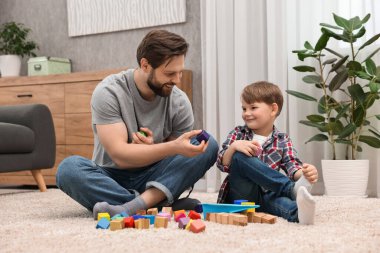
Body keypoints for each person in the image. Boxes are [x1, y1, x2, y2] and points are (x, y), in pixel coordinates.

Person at [56, 29, 218, 219]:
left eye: (180, 72)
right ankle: (155, 204)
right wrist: (169, 147)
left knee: (208, 144)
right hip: (111, 176)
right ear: (145, 65)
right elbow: (120, 155)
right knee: (69, 169)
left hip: (154, 177)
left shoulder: (179, 102)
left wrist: (157, 149)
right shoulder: (110, 92)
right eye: (169, 73)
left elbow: (176, 159)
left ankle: (128, 207)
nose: (176, 80)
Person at [216, 81, 318, 225]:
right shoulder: (238, 134)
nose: (246, 113)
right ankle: (289, 189)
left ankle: (300, 215)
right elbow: (222, 163)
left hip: (269, 194)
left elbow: (292, 166)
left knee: (285, 204)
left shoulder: (282, 140)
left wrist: (305, 173)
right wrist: (233, 147)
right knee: (240, 155)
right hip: (242, 195)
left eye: (253, 107)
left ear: (273, 109)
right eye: (244, 108)